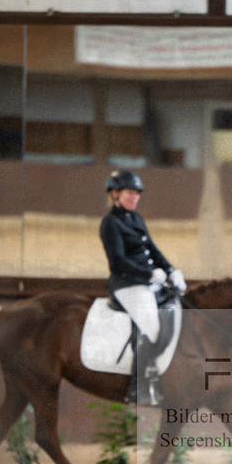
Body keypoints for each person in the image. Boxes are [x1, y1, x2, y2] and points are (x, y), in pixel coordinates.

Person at [100, 169, 187, 406]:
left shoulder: (136, 219)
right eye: (130, 193)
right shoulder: (110, 223)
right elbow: (117, 261)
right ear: (115, 194)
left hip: (149, 282)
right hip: (127, 285)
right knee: (153, 328)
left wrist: (171, 270)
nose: (135, 197)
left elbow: (153, 250)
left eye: (137, 193)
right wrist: (148, 274)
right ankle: (137, 387)